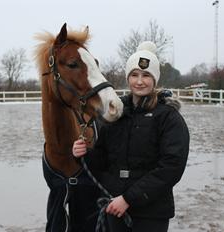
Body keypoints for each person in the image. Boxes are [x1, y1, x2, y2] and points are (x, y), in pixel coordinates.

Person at [72, 41, 189, 232]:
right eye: (134, 75)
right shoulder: (115, 114)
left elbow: (171, 167)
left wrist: (128, 199)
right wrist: (83, 154)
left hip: (151, 213)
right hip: (114, 208)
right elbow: (103, 161)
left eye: (146, 75)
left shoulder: (168, 117)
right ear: (128, 78)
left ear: (155, 79)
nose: (139, 81)